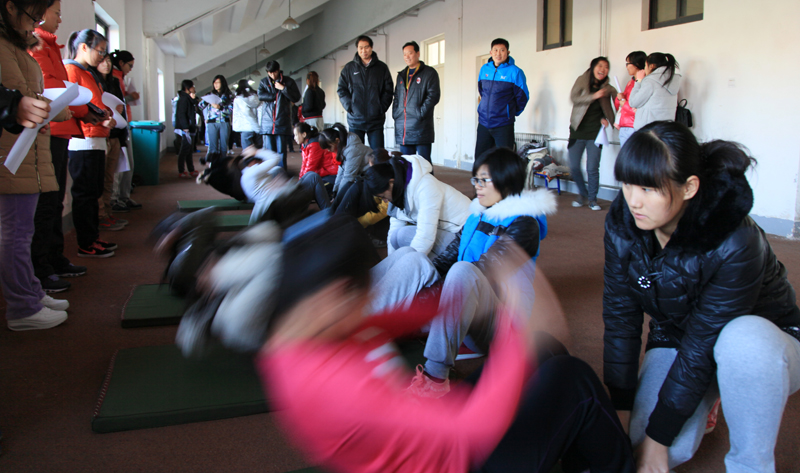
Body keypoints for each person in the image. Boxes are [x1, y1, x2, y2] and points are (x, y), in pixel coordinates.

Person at [256, 215, 635, 473]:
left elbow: (383, 321)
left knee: (547, 349)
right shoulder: (334, 388)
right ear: (336, 295)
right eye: (365, 291)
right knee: (573, 377)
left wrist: (463, 295)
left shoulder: (312, 325)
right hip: (460, 456)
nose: (371, 299)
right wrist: (516, 330)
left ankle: (579, 455)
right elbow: (474, 427)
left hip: (432, 440)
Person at [602, 121, 800, 472]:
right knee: (638, 443)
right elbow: (621, 317)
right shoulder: (623, 222)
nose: (633, 200)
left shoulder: (736, 241)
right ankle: (712, 396)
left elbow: (703, 345)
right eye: (628, 183)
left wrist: (659, 438)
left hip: (762, 346)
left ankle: (750, 463)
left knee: (742, 345)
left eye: (649, 188)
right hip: (679, 335)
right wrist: (621, 411)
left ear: (690, 187)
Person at [378, 148, 556, 397]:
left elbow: (483, 273)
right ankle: (364, 315)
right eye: (476, 179)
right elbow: (447, 258)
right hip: (464, 313)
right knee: (412, 256)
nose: (477, 186)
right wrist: (418, 285)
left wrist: (423, 303)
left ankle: (435, 379)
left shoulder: (525, 225)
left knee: (463, 271)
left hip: (500, 326)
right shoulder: (478, 213)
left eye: (484, 180)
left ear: (506, 181)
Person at [0, 0, 72, 330]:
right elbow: (17, 96)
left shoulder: (17, 44)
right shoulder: (4, 47)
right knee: (15, 235)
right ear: (10, 6)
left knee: (23, 232)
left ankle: (31, 292)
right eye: (35, 14)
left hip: (25, 150)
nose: (38, 22)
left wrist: (50, 106)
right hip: (11, 152)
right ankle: (22, 308)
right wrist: (39, 106)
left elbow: (27, 94)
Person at [28, 0, 87, 293]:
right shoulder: (35, 45)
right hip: (47, 130)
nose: (60, 19)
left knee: (55, 200)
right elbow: (46, 88)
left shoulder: (50, 46)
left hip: (61, 129)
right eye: (57, 13)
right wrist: (81, 107)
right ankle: (41, 269)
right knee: (45, 202)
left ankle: (53, 258)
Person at [64, 29, 117, 258]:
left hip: (97, 138)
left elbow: (93, 103)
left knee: (93, 192)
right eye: (100, 51)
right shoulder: (71, 70)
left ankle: (93, 237)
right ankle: (86, 243)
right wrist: (98, 117)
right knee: (85, 194)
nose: (102, 56)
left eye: (105, 52)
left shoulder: (88, 73)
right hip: (83, 141)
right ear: (84, 47)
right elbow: (72, 104)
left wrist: (106, 115)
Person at [364, 153, 470, 258]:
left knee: (405, 236)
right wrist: (390, 262)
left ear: (391, 182)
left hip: (466, 237)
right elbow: (393, 230)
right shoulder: (398, 187)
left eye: (383, 196)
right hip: (447, 231)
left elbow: (425, 237)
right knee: (397, 236)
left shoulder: (426, 187)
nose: (385, 201)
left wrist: (409, 265)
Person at [567, 56, 616, 211]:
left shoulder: (607, 88)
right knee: (574, 166)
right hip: (577, 130)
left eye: (606, 67)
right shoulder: (582, 80)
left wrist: (605, 118)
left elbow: (616, 100)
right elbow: (574, 97)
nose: (603, 69)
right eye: (600, 66)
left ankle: (592, 199)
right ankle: (582, 193)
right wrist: (594, 96)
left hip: (596, 132)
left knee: (593, 168)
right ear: (593, 67)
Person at [474, 38, 529, 160]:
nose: (498, 53)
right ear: (491, 52)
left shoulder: (515, 72)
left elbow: (522, 97)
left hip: (503, 124)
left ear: (508, 52)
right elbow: (482, 91)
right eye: (495, 50)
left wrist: (510, 112)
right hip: (483, 123)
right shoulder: (484, 69)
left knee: (504, 161)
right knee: (480, 159)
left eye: (502, 50)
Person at [336, 35, 393, 151]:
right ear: (357, 49)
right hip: (355, 120)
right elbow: (341, 89)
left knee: (378, 154)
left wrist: (381, 107)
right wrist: (350, 106)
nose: (364, 51)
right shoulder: (349, 68)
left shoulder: (381, 68)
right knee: (355, 154)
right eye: (361, 48)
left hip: (376, 120)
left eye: (366, 47)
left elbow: (388, 90)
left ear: (371, 47)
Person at [392, 41, 440, 166]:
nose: (407, 57)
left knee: (424, 164)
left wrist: (420, 113)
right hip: (403, 126)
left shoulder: (429, 73)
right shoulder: (401, 75)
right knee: (407, 164)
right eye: (404, 54)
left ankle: (428, 181)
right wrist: (396, 113)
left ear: (418, 53)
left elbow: (433, 96)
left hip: (421, 125)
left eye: (410, 53)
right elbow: (396, 97)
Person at [96, 55, 128, 232]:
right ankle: (101, 215)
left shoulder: (114, 82)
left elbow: (121, 108)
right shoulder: (93, 80)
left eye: (108, 60)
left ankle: (108, 212)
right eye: (102, 60)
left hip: (115, 133)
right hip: (101, 134)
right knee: (100, 178)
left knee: (110, 177)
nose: (106, 64)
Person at [108, 49, 141, 212]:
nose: (130, 69)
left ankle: (123, 196)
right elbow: (114, 100)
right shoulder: (112, 77)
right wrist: (129, 98)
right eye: (130, 65)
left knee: (128, 164)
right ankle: (114, 199)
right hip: (116, 125)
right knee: (119, 165)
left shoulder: (120, 78)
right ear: (120, 63)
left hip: (125, 123)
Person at [257, 60, 301, 169]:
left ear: (278, 70)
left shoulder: (288, 81)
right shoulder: (263, 82)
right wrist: (275, 95)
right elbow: (260, 95)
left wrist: (283, 89)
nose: (272, 75)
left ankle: (281, 172)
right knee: (269, 152)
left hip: (282, 120)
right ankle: (270, 173)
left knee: (281, 151)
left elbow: (296, 97)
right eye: (269, 73)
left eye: (274, 72)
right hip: (267, 122)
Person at [318, 122, 372, 199]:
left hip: (370, 177)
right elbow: (341, 171)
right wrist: (335, 191)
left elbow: (348, 177)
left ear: (337, 140)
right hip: (361, 176)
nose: (329, 150)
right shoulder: (342, 146)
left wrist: (338, 198)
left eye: (329, 147)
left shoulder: (352, 150)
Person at [628, 52, 681, 131]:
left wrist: (638, 81)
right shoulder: (673, 79)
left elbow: (633, 102)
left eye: (645, 65)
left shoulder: (650, 81)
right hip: (666, 127)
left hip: (649, 128)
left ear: (651, 66)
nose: (645, 69)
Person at [294, 122, 337, 209]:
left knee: (315, 187)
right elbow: (304, 165)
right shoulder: (305, 144)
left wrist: (300, 185)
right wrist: (300, 182)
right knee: (308, 185)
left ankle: (328, 209)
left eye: (296, 135)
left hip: (331, 174)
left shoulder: (314, 145)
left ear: (304, 134)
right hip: (322, 173)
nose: (294, 137)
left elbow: (310, 168)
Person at [199, 74, 233, 164]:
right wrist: (206, 101)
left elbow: (231, 110)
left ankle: (223, 165)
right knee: (212, 146)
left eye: (218, 82)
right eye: (214, 82)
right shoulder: (210, 94)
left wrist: (220, 107)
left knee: (223, 146)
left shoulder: (229, 95)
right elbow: (200, 106)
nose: (216, 84)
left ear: (223, 83)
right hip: (212, 122)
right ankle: (213, 165)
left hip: (224, 122)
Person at [614, 50, 646, 147]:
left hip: (635, 127)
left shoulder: (645, 83)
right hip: (624, 126)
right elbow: (619, 105)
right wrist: (619, 99)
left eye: (628, 63)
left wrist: (624, 104)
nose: (626, 67)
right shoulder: (630, 82)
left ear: (637, 64)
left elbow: (641, 110)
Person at [174, 79, 197, 178]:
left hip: (189, 127)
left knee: (189, 150)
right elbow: (181, 114)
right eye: (193, 86)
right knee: (184, 150)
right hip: (185, 128)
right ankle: (181, 170)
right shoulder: (183, 99)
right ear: (188, 88)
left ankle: (191, 169)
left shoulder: (187, 98)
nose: (194, 88)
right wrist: (185, 127)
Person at [232, 79, 260, 149]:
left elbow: (247, 113)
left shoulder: (239, 99)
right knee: (258, 150)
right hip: (258, 126)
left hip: (246, 127)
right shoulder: (256, 97)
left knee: (247, 151)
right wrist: (258, 128)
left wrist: (256, 127)